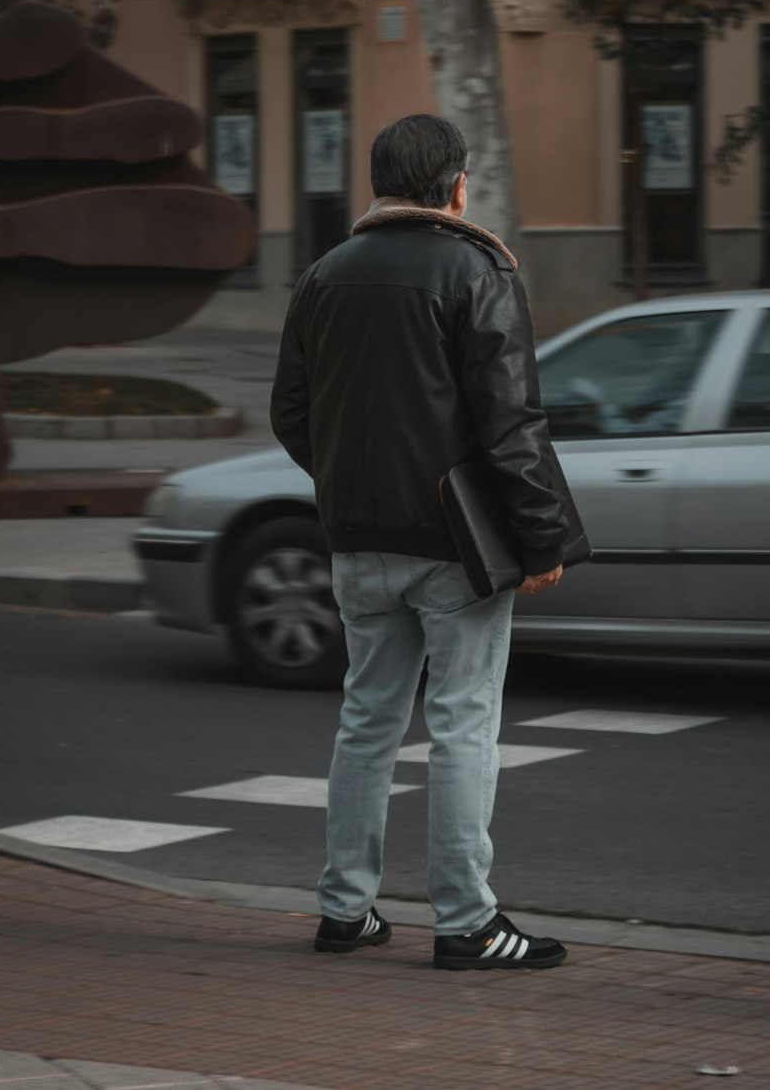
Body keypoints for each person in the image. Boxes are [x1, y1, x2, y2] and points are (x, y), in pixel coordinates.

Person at [270, 113, 571, 971]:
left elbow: (292, 413)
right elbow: (510, 423)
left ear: (379, 184)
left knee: (366, 721)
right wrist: (542, 533)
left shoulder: (323, 274)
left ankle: (344, 910)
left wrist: (344, 484)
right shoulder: (477, 269)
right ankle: (467, 923)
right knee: (463, 724)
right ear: (457, 187)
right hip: (456, 543)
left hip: (356, 538)